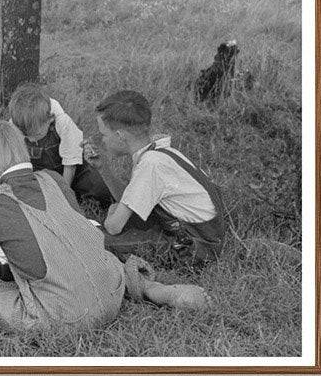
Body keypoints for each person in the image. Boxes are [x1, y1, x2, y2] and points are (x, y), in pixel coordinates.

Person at [0, 119, 126, 333]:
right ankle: (145, 286)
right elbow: (74, 245)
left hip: (68, 318)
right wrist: (3, 270)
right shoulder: (54, 178)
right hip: (112, 293)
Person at [93, 89, 226, 265]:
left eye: (104, 134)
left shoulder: (151, 165)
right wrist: (103, 168)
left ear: (120, 136)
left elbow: (114, 226)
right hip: (196, 233)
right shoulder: (157, 151)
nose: (102, 140)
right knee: (116, 228)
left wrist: (112, 213)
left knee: (94, 242)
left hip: (194, 248)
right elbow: (129, 201)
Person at [7, 83, 112, 204]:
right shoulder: (14, 125)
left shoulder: (63, 124)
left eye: (36, 134)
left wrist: (62, 195)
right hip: (40, 173)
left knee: (101, 191)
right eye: (26, 135)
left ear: (50, 119)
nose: (31, 140)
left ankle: (75, 194)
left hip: (72, 169)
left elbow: (70, 164)